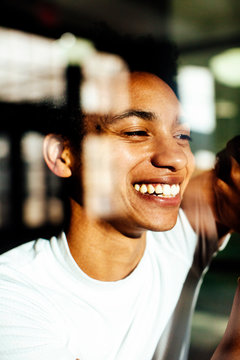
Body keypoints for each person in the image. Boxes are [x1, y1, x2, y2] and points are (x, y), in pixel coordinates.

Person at [0, 39, 240, 360]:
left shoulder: (177, 239)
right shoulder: (13, 296)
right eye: (136, 132)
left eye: (182, 136)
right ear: (63, 155)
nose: (177, 159)